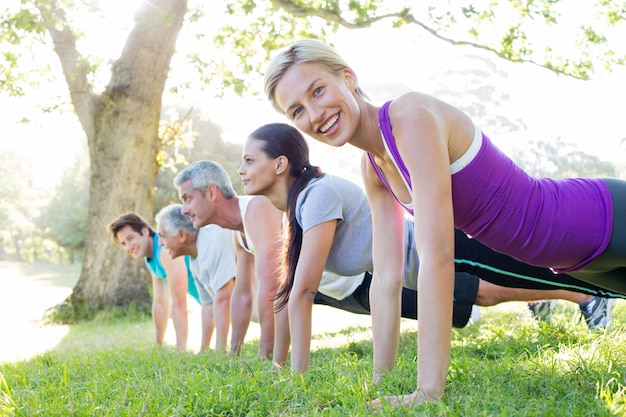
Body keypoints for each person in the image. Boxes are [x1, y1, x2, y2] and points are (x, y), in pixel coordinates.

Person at [263, 39, 626, 407]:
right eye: (296, 110)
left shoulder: (410, 117)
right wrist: (380, 382)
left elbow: (437, 258)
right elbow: (386, 280)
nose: (314, 113)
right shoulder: (372, 168)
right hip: (573, 263)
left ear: (349, 78)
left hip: (599, 219)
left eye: (318, 90)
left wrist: (427, 392)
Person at [239, 122, 621, 373]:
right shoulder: (298, 207)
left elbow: (304, 290)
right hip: (414, 266)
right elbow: (290, 293)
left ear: (279, 164)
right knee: (511, 282)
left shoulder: (317, 197)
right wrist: (278, 363)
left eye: (249, 160)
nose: (242, 169)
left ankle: (585, 295)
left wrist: (293, 374)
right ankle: (582, 293)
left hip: (444, 246)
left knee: (555, 262)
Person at [173, 160, 286, 359]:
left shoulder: (257, 207)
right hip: (329, 293)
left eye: (187, 198)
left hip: (353, 287)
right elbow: (243, 294)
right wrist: (233, 353)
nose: (183, 210)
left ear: (211, 193)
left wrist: (264, 355)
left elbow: (271, 287)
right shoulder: (238, 231)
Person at [107, 212, 201, 352]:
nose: (128, 247)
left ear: (144, 231)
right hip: (211, 302)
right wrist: (158, 345)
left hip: (225, 295)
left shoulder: (165, 249)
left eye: (130, 238)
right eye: (123, 243)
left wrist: (180, 350)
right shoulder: (150, 258)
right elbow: (160, 303)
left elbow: (179, 302)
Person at [155, 204, 237, 352]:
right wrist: (204, 350)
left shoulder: (213, 246)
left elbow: (224, 299)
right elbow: (208, 304)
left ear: (181, 235)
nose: (160, 243)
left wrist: (220, 351)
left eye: (162, 236)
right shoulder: (194, 256)